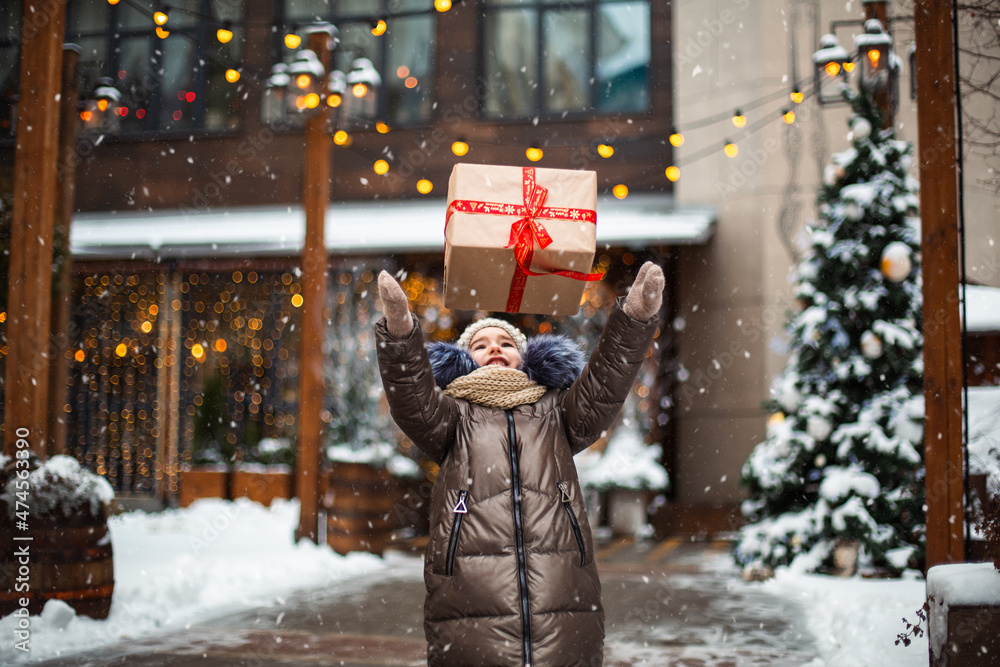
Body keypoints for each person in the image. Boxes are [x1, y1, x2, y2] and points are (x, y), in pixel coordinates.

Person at [374, 261, 664, 667]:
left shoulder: (556, 410)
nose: (494, 347)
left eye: (506, 342)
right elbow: (412, 400)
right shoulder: (452, 416)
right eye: (480, 344)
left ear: (524, 356)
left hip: (560, 585)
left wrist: (634, 319)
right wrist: (400, 333)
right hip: (470, 590)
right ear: (464, 360)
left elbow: (604, 385)